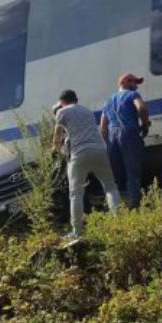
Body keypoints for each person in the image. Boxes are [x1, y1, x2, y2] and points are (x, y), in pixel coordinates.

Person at [52, 89, 120, 239]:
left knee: (76, 193)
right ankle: (119, 223)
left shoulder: (62, 112)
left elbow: (57, 138)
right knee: (110, 187)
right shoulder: (87, 111)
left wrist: (55, 150)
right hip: (99, 150)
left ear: (62, 102)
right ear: (76, 99)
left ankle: (77, 232)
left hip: (79, 154)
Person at [100, 73, 151, 209]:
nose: (136, 86)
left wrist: (107, 144)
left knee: (115, 176)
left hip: (112, 136)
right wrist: (145, 125)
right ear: (126, 82)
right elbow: (141, 108)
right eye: (135, 82)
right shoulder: (132, 95)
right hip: (129, 133)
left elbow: (103, 125)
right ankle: (135, 207)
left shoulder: (108, 101)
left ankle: (116, 209)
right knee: (132, 172)